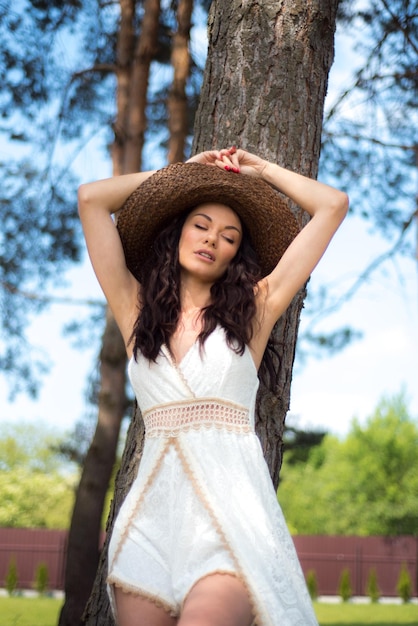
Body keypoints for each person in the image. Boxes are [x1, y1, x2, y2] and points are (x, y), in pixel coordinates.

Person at [78, 146, 348, 626]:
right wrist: (177, 175)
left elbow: (332, 205)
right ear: (178, 232)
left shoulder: (256, 310)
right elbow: (91, 199)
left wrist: (260, 169)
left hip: (232, 520)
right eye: (200, 225)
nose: (211, 240)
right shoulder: (134, 309)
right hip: (150, 522)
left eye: (228, 237)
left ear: (236, 255)